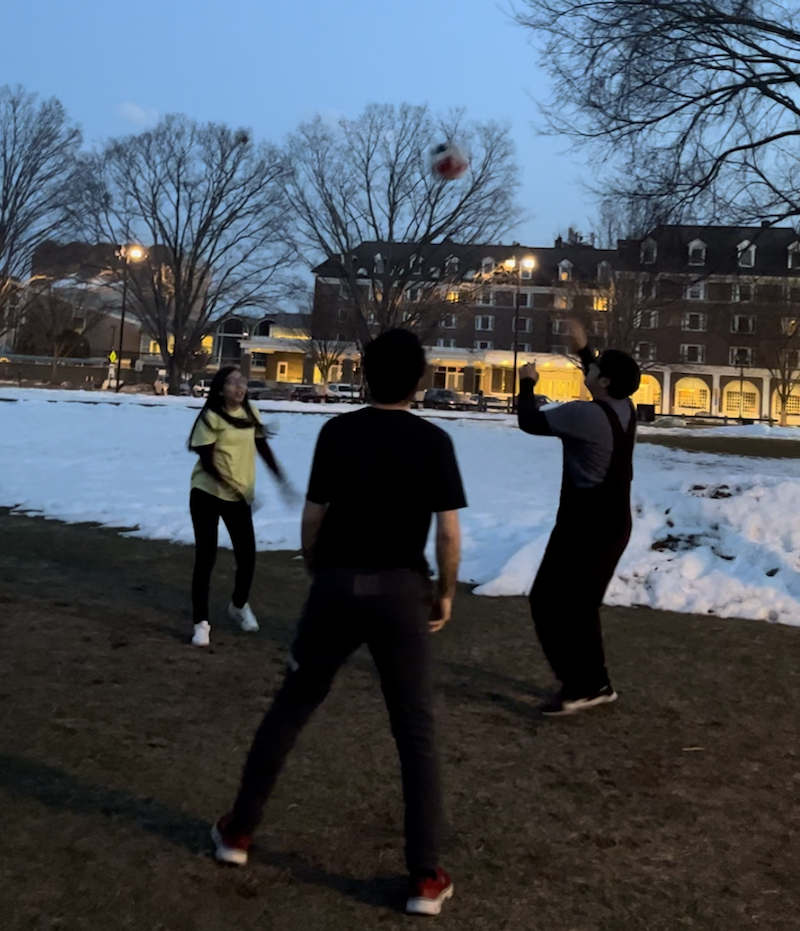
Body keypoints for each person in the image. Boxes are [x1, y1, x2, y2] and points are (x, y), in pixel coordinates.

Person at [210, 329, 467, 917]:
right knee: (415, 731)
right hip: (404, 593)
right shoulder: (434, 441)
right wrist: (444, 594)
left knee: (293, 705)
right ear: (421, 381)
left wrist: (316, 571)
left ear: (366, 376)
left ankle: (238, 832)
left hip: (337, 586)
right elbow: (448, 531)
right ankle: (424, 877)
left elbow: (314, 514)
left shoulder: (337, 431)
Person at [517, 321, 640, 716]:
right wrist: (586, 350)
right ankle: (595, 683)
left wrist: (527, 383)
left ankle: (579, 685)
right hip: (615, 522)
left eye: (594, 366)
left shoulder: (584, 416)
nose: (589, 368)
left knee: (547, 601)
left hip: (585, 524)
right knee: (581, 606)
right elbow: (600, 376)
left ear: (603, 381)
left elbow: (529, 421)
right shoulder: (625, 407)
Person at [188, 366, 289, 647]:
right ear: (220, 389)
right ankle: (201, 623)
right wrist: (231, 486)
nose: (239, 387)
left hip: (238, 498)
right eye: (233, 383)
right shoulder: (210, 418)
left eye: (242, 382)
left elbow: (261, 445)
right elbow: (207, 462)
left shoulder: (250, 412)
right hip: (207, 494)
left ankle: (238, 605)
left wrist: (281, 477)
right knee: (206, 558)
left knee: (247, 557)